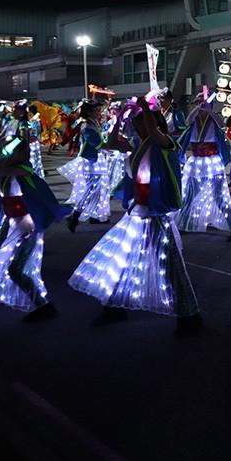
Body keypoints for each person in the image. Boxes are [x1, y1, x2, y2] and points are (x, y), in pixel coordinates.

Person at [69, 97, 203, 336]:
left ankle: (190, 316)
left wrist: (144, 107)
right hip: (137, 212)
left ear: (152, 122)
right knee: (120, 259)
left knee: (170, 267)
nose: (135, 125)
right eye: (135, 122)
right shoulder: (137, 144)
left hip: (156, 214)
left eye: (139, 121)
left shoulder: (165, 142)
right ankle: (114, 306)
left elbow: (153, 130)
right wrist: (118, 119)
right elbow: (111, 143)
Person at [0, 106, 69, 319]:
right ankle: (35, 303)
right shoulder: (6, 174)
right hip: (13, 226)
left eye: (15, 152)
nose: (9, 154)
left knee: (15, 269)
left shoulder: (23, 169)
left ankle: (43, 306)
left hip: (27, 228)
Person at [176, 88, 231, 239]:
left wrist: (210, 111)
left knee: (219, 196)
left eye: (202, 103)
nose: (201, 105)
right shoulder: (194, 120)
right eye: (197, 103)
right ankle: (182, 224)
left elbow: (222, 124)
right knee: (190, 195)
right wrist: (198, 108)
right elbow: (187, 121)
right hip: (196, 162)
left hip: (212, 162)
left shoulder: (214, 119)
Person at [59, 100, 111, 231]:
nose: (97, 111)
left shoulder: (93, 122)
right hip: (90, 160)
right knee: (90, 189)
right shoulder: (86, 125)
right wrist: (113, 146)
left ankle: (93, 215)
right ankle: (75, 216)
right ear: (88, 111)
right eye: (94, 109)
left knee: (98, 189)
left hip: (96, 159)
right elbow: (97, 143)